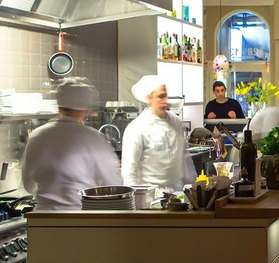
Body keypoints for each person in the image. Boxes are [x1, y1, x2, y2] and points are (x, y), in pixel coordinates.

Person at [21, 77, 122, 210]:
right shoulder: (93, 138)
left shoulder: (37, 135)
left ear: (59, 106)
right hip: (77, 217)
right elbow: (112, 183)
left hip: (42, 218)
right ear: (85, 110)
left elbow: (28, 184)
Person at [121, 75, 193, 194]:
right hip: (150, 195)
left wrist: (193, 185)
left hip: (177, 190)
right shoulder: (137, 128)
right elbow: (129, 172)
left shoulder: (176, 121)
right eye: (160, 96)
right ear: (149, 98)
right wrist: (135, 203)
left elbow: (185, 158)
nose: (165, 100)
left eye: (165, 95)